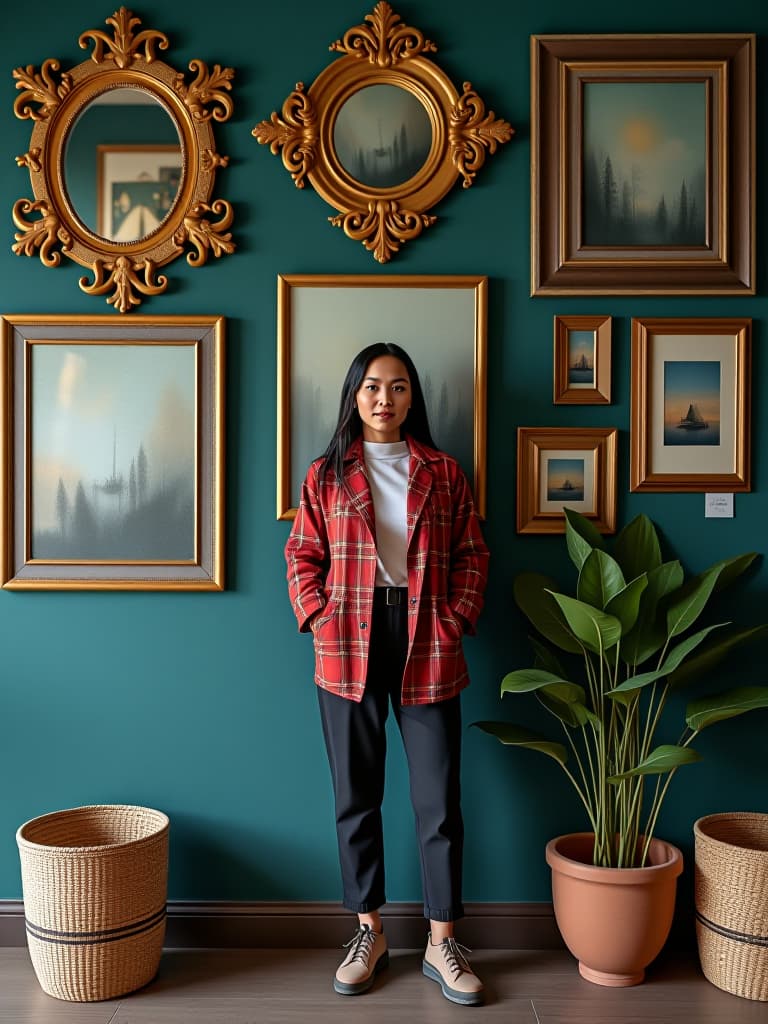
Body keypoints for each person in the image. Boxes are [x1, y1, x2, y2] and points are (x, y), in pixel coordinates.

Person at [285, 342, 490, 1006]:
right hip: (346, 642)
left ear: (411, 398)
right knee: (356, 796)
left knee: (438, 802)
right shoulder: (325, 475)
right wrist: (317, 613)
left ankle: (442, 940)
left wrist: (457, 616)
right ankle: (368, 930)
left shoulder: (445, 472)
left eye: (398, 387)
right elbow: (302, 553)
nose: (384, 398)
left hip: (427, 637)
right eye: (373, 386)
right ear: (354, 394)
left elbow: (472, 554)